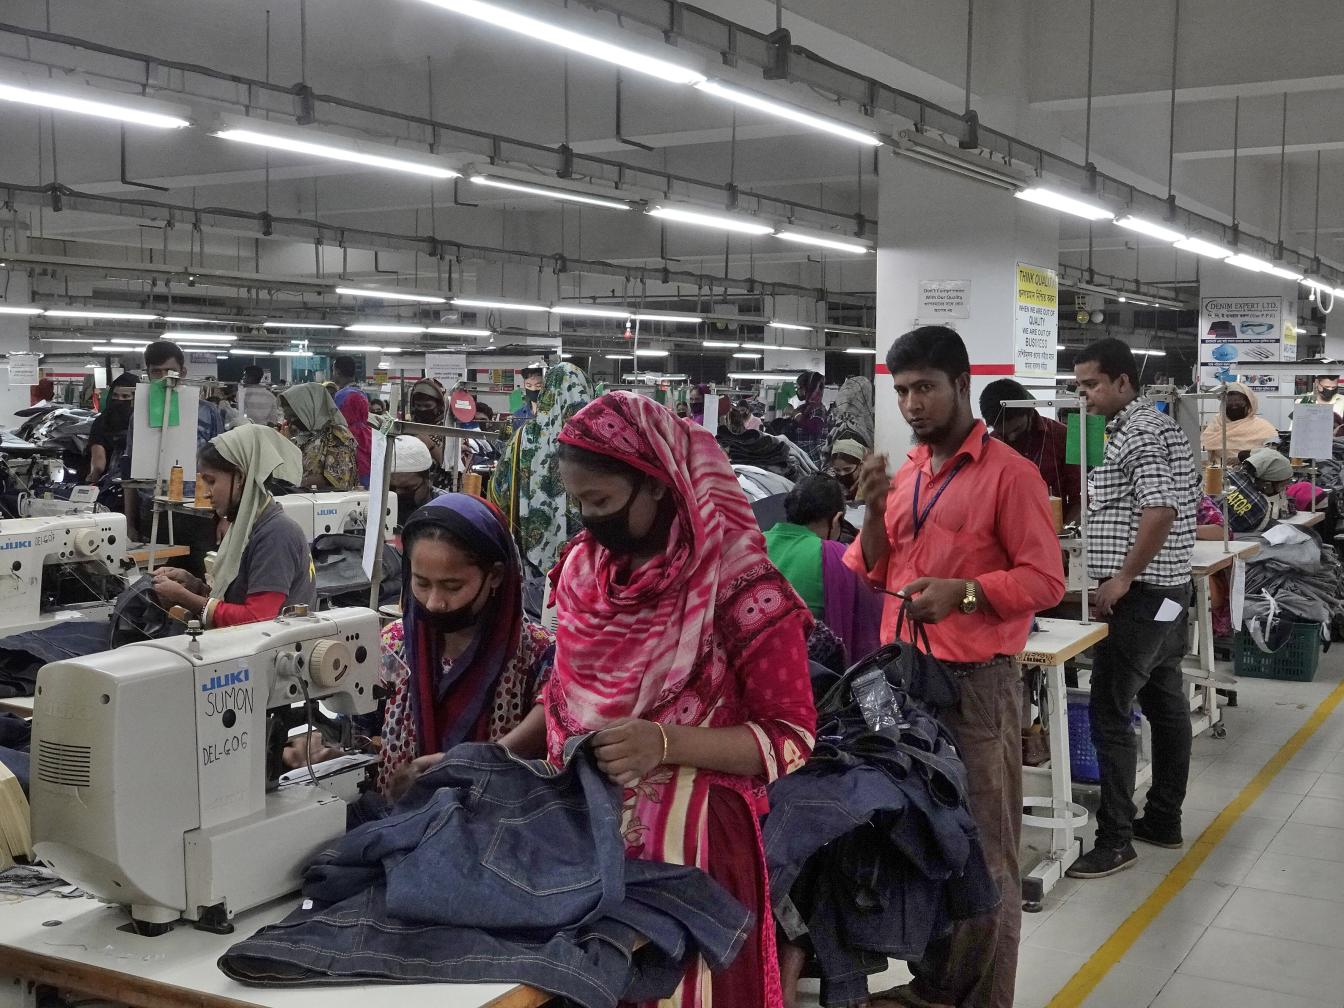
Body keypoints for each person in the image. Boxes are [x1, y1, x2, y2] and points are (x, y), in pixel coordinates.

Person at [549, 391, 816, 1008]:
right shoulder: (584, 575)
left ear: (661, 486)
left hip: (698, 851)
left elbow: (793, 735)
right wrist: (500, 753)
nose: (590, 520)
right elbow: (562, 695)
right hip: (592, 841)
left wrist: (663, 742)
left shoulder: (740, 584)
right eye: (578, 502)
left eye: (603, 502)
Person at [848, 325, 1064, 1008]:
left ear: (961, 386)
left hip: (975, 690)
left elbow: (1045, 580)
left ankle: (983, 998)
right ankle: (939, 984)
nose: (912, 403)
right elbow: (870, 566)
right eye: (903, 390)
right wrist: (875, 509)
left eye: (925, 388)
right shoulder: (907, 473)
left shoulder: (1011, 475)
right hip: (903, 682)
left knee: (986, 853)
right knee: (925, 841)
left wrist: (965, 592)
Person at [1068, 338, 1198, 880]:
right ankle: (1163, 818)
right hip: (1170, 596)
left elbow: (1160, 507)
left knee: (1110, 712)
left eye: (1092, 385)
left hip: (1145, 599)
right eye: (1078, 386)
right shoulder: (1156, 427)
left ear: (1123, 381)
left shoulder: (1140, 433)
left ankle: (1116, 838)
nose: (1084, 396)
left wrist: (1122, 576)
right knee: (1167, 703)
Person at [374, 493, 555, 800]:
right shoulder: (393, 645)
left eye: (452, 586)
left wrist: (469, 763)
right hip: (398, 821)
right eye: (421, 582)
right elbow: (365, 734)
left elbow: (553, 721)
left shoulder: (538, 657)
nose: (434, 602)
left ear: (495, 576)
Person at [149, 424, 315, 628]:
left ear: (240, 477)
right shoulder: (245, 528)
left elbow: (258, 619)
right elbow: (237, 598)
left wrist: (186, 599)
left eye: (211, 481)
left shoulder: (276, 534)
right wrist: (195, 587)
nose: (206, 493)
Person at [121, 341, 228, 555]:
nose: (164, 379)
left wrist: (226, 518)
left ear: (183, 371)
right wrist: (129, 522)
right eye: (156, 372)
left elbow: (224, 468)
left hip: (200, 509)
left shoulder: (208, 413)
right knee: (157, 579)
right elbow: (132, 471)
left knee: (203, 578)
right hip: (152, 510)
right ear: (148, 374)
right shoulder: (140, 416)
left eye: (170, 371)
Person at [764, 473, 884, 665]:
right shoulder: (838, 557)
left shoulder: (755, 542)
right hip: (809, 675)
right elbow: (873, 621)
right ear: (837, 519)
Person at [488, 362, 593, 575]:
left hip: (531, 561)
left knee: (539, 605)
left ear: (546, 393)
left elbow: (499, 493)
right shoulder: (598, 444)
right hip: (587, 563)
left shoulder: (523, 439)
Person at [979, 378, 1083, 525]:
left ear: (1030, 411)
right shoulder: (989, 445)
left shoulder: (1065, 437)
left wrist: (1064, 536)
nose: (1011, 436)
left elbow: (1079, 498)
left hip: (1054, 532)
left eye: (1017, 429)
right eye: (1003, 432)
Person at [279, 383, 358, 491]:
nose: (288, 420)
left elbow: (338, 481)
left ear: (310, 410)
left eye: (293, 416)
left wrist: (297, 482)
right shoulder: (307, 434)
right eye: (286, 415)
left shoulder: (337, 436)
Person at [1200, 380, 1279, 459]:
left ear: (1248, 403)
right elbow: (1204, 447)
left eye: (1238, 401)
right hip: (1218, 469)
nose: (1234, 406)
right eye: (1230, 402)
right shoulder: (1217, 422)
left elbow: (1271, 452)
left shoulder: (1263, 426)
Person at [389, 434, 449, 532]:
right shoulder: (378, 508)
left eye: (407, 488)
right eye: (391, 488)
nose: (398, 494)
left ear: (430, 480)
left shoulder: (446, 511)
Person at [86, 373, 138, 484]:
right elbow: (98, 460)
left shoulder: (102, 421)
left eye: (125, 397)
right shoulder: (102, 422)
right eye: (115, 396)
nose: (119, 400)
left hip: (125, 482)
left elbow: (98, 464)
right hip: (119, 483)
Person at [330, 356, 371, 486]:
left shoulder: (341, 395)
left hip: (347, 438)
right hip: (365, 439)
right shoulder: (362, 393)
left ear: (338, 371)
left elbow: (336, 420)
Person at [789, 370, 829, 465]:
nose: (797, 391)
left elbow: (815, 427)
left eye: (798, 387)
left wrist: (795, 414)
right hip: (802, 458)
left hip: (813, 460)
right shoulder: (803, 408)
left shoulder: (818, 409)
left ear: (808, 388)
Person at [509, 362, 546, 431]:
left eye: (538, 386)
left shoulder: (554, 413)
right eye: (529, 386)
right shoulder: (518, 415)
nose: (533, 389)